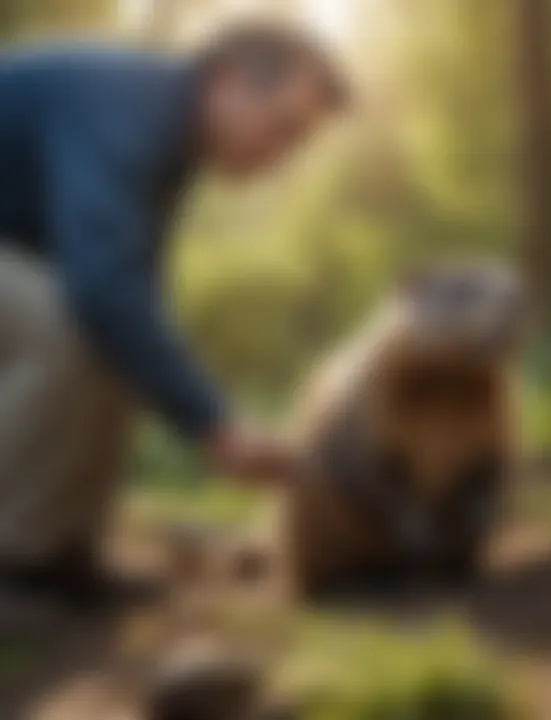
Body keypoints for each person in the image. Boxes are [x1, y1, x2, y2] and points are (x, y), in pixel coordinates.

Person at [0, 23, 348, 608]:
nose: (281, 157)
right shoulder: (126, 111)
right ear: (227, 79)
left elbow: (135, 307)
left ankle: (57, 554)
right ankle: (13, 561)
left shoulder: (170, 139)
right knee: (74, 325)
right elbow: (104, 286)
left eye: (298, 145)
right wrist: (214, 424)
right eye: (282, 128)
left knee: (120, 339)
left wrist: (202, 413)